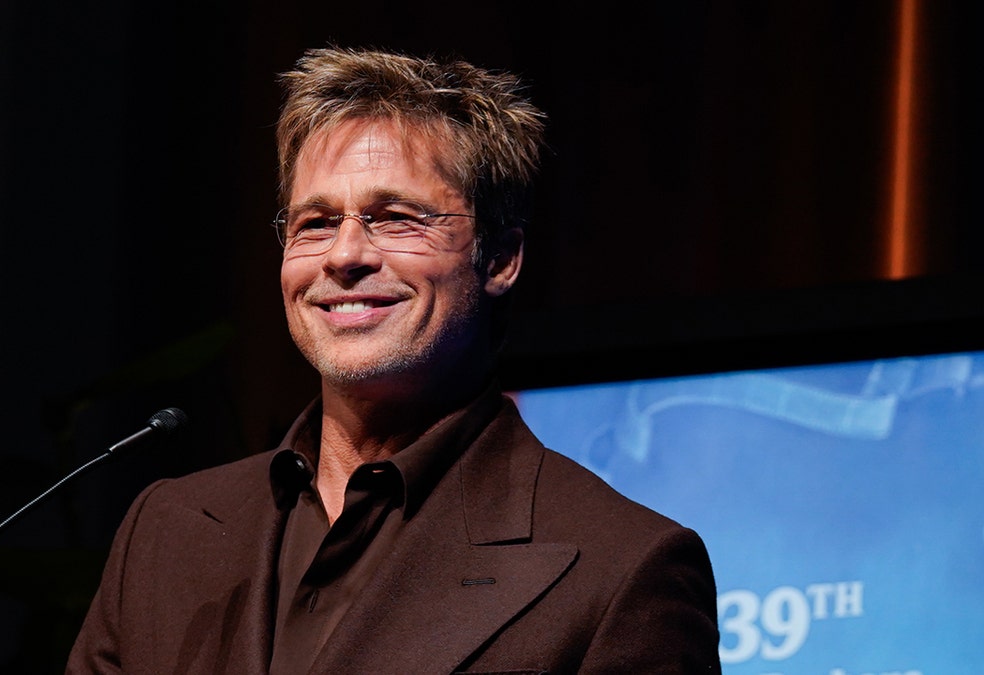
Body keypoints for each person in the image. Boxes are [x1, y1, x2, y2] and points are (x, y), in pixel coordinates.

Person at [67, 46, 721, 674]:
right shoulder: (165, 530)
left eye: (396, 217)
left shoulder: (623, 565)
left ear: (499, 258)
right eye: (315, 221)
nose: (344, 254)